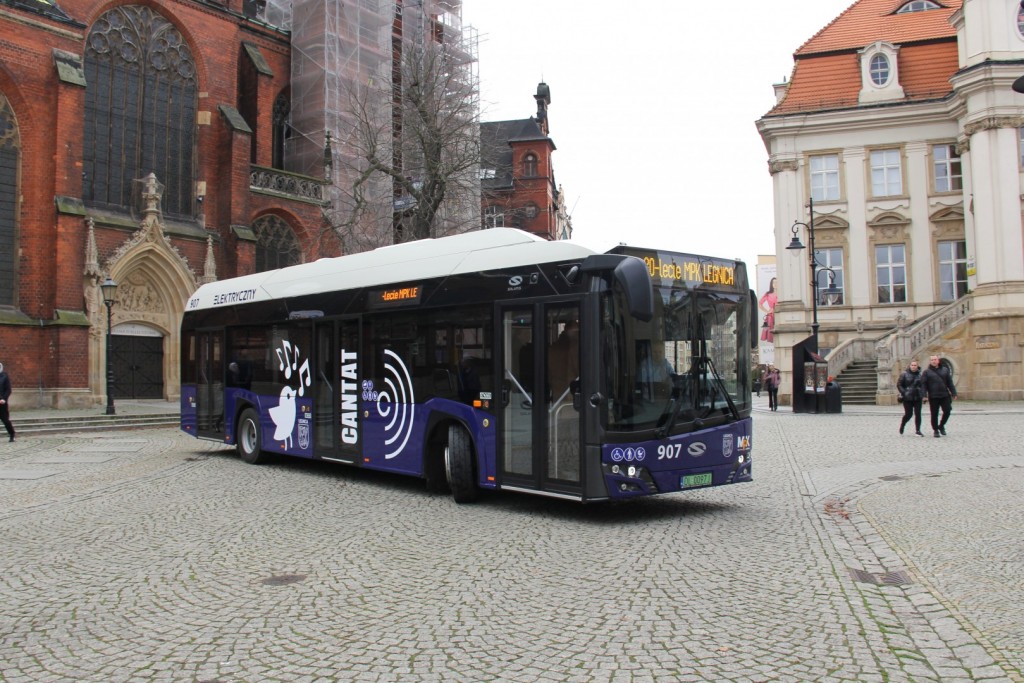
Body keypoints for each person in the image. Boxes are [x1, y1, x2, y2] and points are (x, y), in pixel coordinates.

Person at [921, 354, 957, 437]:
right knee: (934, 414)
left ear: (938, 360)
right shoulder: (926, 372)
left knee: (947, 410)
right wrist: (924, 395)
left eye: (935, 359)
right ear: (930, 361)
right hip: (933, 396)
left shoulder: (945, 370)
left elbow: (950, 383)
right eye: (932, 360)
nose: (933, 361)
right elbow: (923, 385)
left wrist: (954, 393)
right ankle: (936, 430)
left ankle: (941, 425)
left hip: (944, 395)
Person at [896, 360, 925, 436]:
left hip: (917, 397)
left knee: (918, 414)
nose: (913, 366)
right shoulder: (904, 374)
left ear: (917, 366)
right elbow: (899, 384)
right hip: (907, 397)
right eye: (912, 365)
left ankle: (918, 430)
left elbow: (923, 386)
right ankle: (903, 424)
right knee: (908, 414)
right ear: (910, 366)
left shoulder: (920, 375)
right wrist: (904, 392)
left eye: (915, 365)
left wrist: (924, 395)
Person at [759, 277, 778, 343]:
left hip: (780, 314)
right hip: (771, 316)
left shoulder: (782, 294)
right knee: (771, 334)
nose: (775, 284)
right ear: (771, 284)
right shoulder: (768, 294)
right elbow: (760, 303)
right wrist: (767, 311)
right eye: (773, 282)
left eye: (776, 282)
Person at [0, 362, 15, 442]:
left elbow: (8, 390)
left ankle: (12, 434)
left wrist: (4, 399)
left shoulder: (4, 376)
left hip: (1, 402)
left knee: (5, 420)